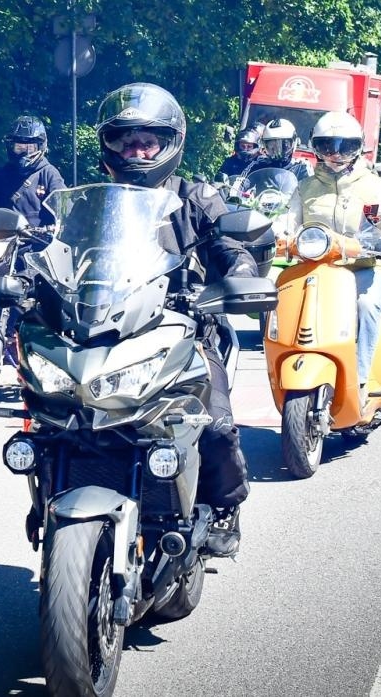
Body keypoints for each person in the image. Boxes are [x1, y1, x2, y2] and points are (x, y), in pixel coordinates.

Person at [94, 82, 259, 557]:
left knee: (214, 424)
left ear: (171, 143)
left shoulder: (197, 197)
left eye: (148, 140)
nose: (137, 149)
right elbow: (52, 244)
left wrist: (240, 273)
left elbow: (231, 248)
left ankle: (223, 504)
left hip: (182, 328)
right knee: (57, 418)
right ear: (109, 145)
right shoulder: (92, 198)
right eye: (126, 139)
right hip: (103, 331)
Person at [290, 111, 381, 407]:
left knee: (366, 305)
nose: (336, 154)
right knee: (285, 303)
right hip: (316, 268)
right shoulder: (304, 188)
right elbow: (288, 224)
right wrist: (273, 237)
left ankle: (361, 380)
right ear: (316, 147)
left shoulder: (374, 186)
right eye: (328, 146)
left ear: (358, 149)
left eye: (346, 147)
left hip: (364, 267)